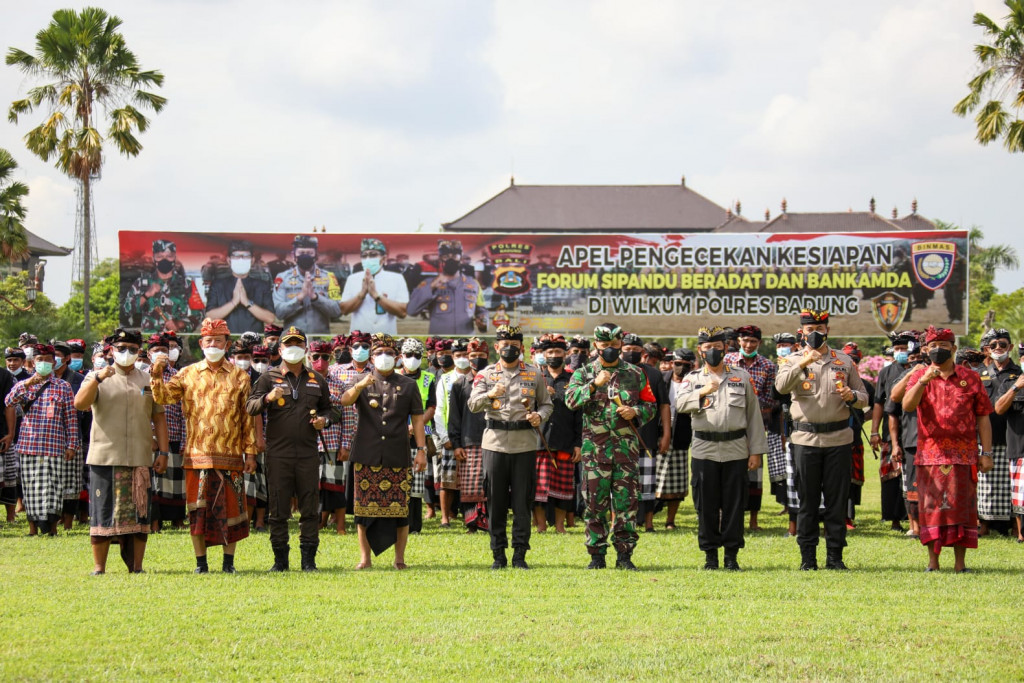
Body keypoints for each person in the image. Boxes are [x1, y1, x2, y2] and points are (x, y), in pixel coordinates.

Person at [151, 318, 259, 574]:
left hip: (231, 455)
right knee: (198, 512)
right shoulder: (187, 374)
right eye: (208, 341)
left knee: (232, 511)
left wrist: (251, 453)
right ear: (201, 344)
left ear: (227, 345)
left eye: (218, 341)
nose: (213, 345)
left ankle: (228, 563)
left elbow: (248, 418)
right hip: (196, 455)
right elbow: (163, 398)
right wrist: (156, 374)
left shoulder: (241, 377)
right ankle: (201, 563)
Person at [775, 309, 867, 571]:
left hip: (838, 439)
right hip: (805, 440)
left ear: (828, 330)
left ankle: (835, 557)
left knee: (837, 502)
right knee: (808, 501)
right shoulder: (791, 360)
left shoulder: (844, 361)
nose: (814, 333)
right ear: (801, 332)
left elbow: (863, 397)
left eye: (819, 328)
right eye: (809, 329)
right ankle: (808, 558)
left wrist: (852, 396)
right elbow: (781, 387)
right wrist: (804, 362)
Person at [74, 328, 168, 574]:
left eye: (133, 349)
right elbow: (80, 404)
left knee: (139, 513)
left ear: (139, 352)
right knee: (102, 512)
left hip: (139, 456)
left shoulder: (148, 380)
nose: (127, 353)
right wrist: (97, 379)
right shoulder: (96, 376)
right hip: (105, 457)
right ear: (111, 351)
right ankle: (99, 567)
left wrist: (164, 452)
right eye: (121, 348)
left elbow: (159, 417)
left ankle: (137, 567)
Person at [564, 323, 657, 570]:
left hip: (626, 451)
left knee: (627, 505)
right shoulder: (583, 373)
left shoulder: (635, 374)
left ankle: (625, 555)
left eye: (614, 345)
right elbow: (570, 401)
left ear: (621, 345)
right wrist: (593, 384)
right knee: (595, 505)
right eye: (605, 345)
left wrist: (635, 411)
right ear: (596, 345)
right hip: (595, 451)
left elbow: (651, 405)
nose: (610, 349)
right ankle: (597, 555)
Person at [902, 326, 994, 572]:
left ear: (953, 348)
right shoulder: (919, 376)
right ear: (926, 350)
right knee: (932, 510)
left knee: (962, 510)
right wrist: (923, 381)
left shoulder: (971, 377)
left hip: (964, 455)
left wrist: (986, 453)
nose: (938, 350)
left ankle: (960, 564)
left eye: (943, 346)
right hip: (930, 455)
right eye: (933, 346)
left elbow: (983, 417)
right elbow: (907, 405)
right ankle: (933, 563)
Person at [677, 326, 768, 570]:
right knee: (706, 506)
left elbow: (754, 416)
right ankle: (710, 556)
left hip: (736, 449)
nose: (713, 352)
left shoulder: (741, 377)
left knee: (734, 506)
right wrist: (703, 392)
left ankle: (731, 556)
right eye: (708, 348)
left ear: (726, 348)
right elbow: (680, 404)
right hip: (704, 449)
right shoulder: (693, 378)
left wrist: (756, 451)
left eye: (717, 347)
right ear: (700, 350)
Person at [247, 326, 332, 572]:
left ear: (305, 348)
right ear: (281, 348)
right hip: (278, 454)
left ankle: (308, 560)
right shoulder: (268, 377)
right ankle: (280, 561)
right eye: (288, 344)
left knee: (309, 507)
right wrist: (267, 399)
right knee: (278, 508)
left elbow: (330, 409)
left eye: (298, 344)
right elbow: (250, 407)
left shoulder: (317, 379)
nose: (293, 348)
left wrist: (324, 420)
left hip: (307, 453)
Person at [468, 325, 553, 570]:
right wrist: (490, 394)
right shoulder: (485, 374)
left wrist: (539, 416)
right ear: (496, 347)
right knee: (495, 501)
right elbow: (473, 404)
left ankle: (519, 554)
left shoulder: (533, 373)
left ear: (521, 347)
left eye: (514, 345)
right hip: (494, 443)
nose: (509, 349)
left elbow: (547, 404)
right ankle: (498, 554)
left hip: (524, 444)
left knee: (522, 502)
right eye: (505, 345)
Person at [339, 333, 427, 569]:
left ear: (397, 357)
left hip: (397, 453)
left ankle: (399, 559)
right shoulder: (361, 379)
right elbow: (344, 400)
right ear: (372, 357)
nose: (384, 357)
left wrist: (421, 450)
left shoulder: (408, 384)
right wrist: (359, 386)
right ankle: (365, 559)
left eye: (389, 353)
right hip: (366, 454)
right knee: (363, 511)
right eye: (379, 353)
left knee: (400, 510)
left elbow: (418, 419)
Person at [3, 344, 80, 536]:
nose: (44, 363)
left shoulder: (63, 387)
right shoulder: (24, 385)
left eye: (47, 360)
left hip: (55, 446)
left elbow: (70, 418)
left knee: (53, 488)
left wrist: (72, 445)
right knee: (31, 488)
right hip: (29, 445)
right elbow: (8, 402)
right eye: (40, 360)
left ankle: (52, 528)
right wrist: (28, 383)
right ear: (33, 362)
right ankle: (33, 529)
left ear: (54, 363)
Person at [724, 325, 775, 532]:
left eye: (753, 341)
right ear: (738, 341)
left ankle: (753, 520)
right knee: (729, 472)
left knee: (754, 475)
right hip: (729, 424)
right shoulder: (727, 361)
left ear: (759, 343)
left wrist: (753, 406)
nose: (748, 345)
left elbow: (770, 398)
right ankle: (727, 518)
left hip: (755, 425)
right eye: (745, 340)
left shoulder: (768, 366)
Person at [620, 335, 670, 534]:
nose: (631, 352)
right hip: (619, 438)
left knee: (647, 483)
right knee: (620, 484)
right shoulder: (614, 372)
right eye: (627, 349)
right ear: (621, 349)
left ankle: (649, 523)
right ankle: (619, 522)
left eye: (635, 349)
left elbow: (664, 406)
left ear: (642, 352)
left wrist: (666, 434)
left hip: (647, 437)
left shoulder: (654, 374)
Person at [534, 334, 582, 534]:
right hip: (539, 440)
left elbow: (579, 413)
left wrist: (578, 443)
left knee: (563, 488)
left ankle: (560, 526)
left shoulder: (573, 380)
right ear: (544, 355)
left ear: (565, 354)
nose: (554, 355)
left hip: (565, 440)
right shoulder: (536, 378)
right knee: (538, 489)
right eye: (550, 352)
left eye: (558, 352)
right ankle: (541, 525)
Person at [871, 331, 915, 532]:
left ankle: (914, 518)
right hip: (891, 432)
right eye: (897, 349)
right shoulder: (886, 373)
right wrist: (874, 432)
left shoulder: (920, 369)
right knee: (891, 476)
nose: (901, 352)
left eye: (904, 348)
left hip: (914, 429)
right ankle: (894, 519)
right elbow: (878, 403)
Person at [977, 328, 1018, 536]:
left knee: (1011, 484)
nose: (998, 348)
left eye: (1003, 344)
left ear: (1010, 347)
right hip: (986, 437)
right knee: (986, 484)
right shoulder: (978, 375)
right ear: (987, 349)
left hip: (1013, 435)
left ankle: (1014, 525)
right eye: (993, 345)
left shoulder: (1019, 374)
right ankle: (984, 524)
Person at [146, 333, 189, 531]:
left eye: (164, 350)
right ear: (149, 354)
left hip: (174, 436)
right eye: (156, 351)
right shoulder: (142, 376)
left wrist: (185, 442)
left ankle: (177, 520)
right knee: (152, 482)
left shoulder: (178, 376)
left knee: (174, 484)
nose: (161, 354)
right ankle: (154, 522)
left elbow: (185, 413)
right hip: (147, 438)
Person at [448, 337, 490, 532]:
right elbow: (454, 417)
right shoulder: (460, 384)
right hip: (468, 439)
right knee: (470, 484)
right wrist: (456, 444)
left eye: (481, 355)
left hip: (493, 439)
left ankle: (490, 522)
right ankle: (472, 524)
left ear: (488, 356)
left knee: (491, 483)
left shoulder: (495, 381)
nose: (477, 358)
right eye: (473, 355)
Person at [396, 337, 437, 532]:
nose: (413, 358)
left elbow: (432, 407)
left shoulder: (428, 378)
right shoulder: (394, 376)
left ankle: (414, 524)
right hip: (397, 434)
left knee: (416, 481)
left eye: (417, 355)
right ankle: (396, 521)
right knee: (397, 478)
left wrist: (416, 425)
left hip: (419, 436)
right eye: (409, 354)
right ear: (401, 356)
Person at [122, 239, 204, 334]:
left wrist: (180, 324)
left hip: (176, 339)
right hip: (150, 340)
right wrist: (146, 295)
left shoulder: (187, 284)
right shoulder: (141, 283)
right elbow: (127, 310)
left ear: (174, 257)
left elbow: (199, 314)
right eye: (159, 256)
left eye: (169, 256)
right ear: (154, 258)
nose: (164, 260)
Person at [407, 239, 487, 335]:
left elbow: (481, 310)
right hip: (439, 342)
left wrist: (483, 321)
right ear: (440, 259)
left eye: (454, 256)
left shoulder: (473, 284)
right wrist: (431, 287)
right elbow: (411, 310)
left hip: (466, 341)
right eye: (446, 256)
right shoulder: (428, 283)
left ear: (461, 258)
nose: (450, 259)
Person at [433, 337, 473, 527]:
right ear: (453, 357)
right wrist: (444, 437)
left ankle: (471, 516)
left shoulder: (479, 376)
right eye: (458, 355)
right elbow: (439, 409)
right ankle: (444, 517)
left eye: (465, 354)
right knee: (447, 480)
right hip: (451, 435)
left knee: (471, 478)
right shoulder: (445, 379)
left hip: (472, 434)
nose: (462, 358)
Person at [273, 235, 343, 334]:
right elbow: (279, 313)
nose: (305, 256)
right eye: (301, 253)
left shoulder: (329, 277)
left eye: (310, 253)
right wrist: (299, 299)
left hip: (320, 339)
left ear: (316, 255)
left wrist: (315, 298)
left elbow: (337, 312)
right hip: (292, 339)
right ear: (293, 255)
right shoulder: (282, 278)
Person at [205, 239, 277, 334]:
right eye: (236, 256)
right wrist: (234, 302)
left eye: (246, 256)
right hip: (225, 340)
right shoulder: (218, 285)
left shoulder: (262, 285)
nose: (241, 259)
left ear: (252, 260)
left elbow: (270, 318)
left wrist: (247, 302)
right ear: (229, 260)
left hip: (254, 340)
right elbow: (210, 317)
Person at [339, 238, 409, 334]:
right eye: (364, 256)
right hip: (359, 337)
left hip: (386, 336)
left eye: (373, 255)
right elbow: (344, 310)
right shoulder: (352, 279)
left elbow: (402, 312)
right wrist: (362, 294)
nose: (368, 259)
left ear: (383, 259)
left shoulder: (397, 278)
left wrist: (376, 295)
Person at [660, 348, 695, 529]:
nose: (681, 368)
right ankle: (647, 517)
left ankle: (670, 520)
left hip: (683, 432)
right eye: (678, 363)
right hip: (660, 433)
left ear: (692, 366)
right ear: (672, 363)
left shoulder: (696, 381)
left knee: (678, 480)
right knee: (654, 478)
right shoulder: (661, 379)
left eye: (685, 365)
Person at [994, 341, 1024, 542]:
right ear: (1020, 359)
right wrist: (1016, 387)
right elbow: (998, 408)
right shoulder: (1010, 383)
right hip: (1019, 448)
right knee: (1020, 497)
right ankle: (1021, 534)